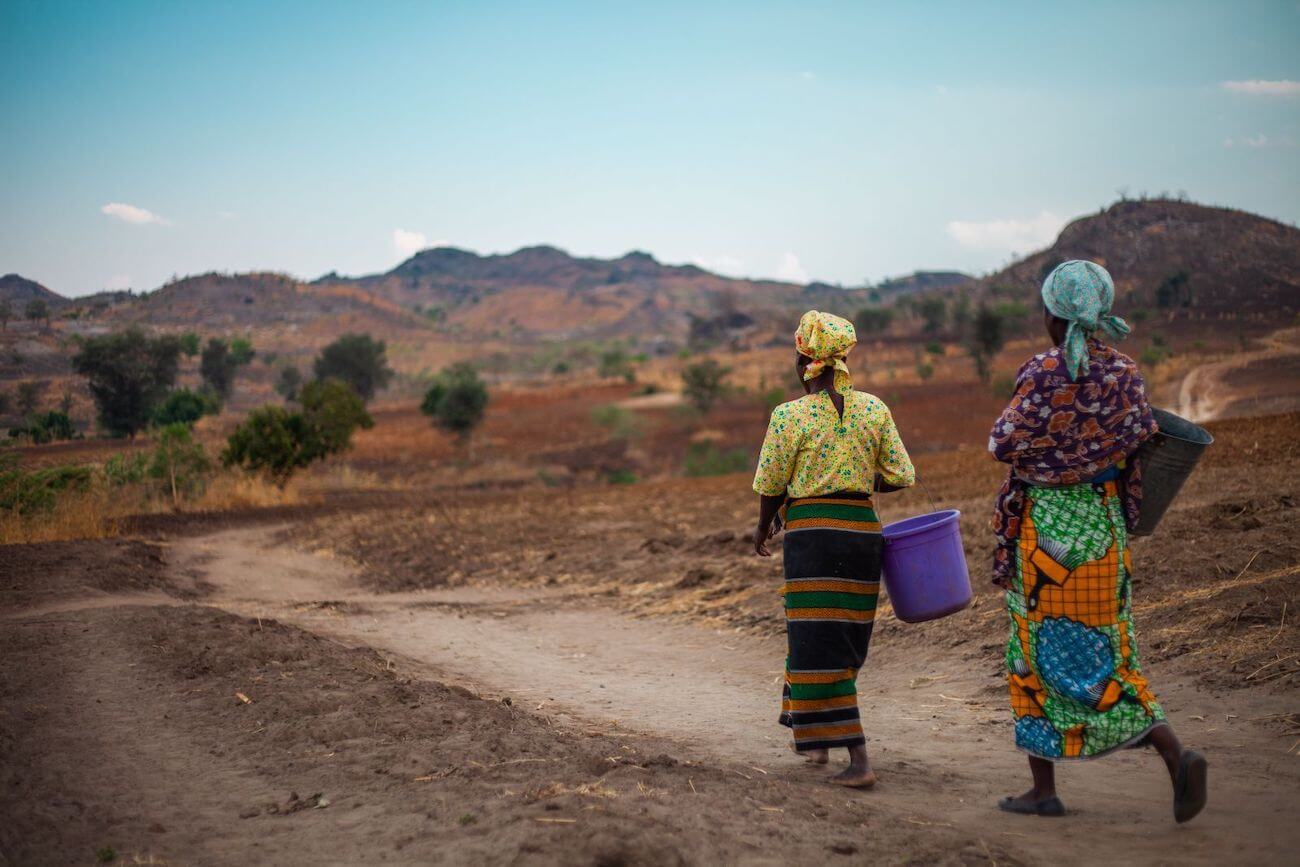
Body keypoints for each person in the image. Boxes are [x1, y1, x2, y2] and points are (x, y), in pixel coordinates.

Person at [988, 260, 1207, 822]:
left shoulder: (1039, 373)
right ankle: (1174, 753)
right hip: (1103, 531)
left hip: (1049, 535)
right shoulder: (1126, 372)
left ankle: (1044, 791)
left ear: (1053, 316)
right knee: (1113, 650)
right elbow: (1142, 437)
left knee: (1032, 651)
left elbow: (1003, 442)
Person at [752, 310, 915, 787]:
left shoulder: (789, 415)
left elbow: (771, 482)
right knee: (838, 638)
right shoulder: (874, 408)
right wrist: (857, 482)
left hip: (813, 537)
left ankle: (859, 760)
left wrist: (763, 527)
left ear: (805, 356)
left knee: (815, 639)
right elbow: (902, 474)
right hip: (863, 532)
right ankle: (815, 740)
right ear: (843, 356)